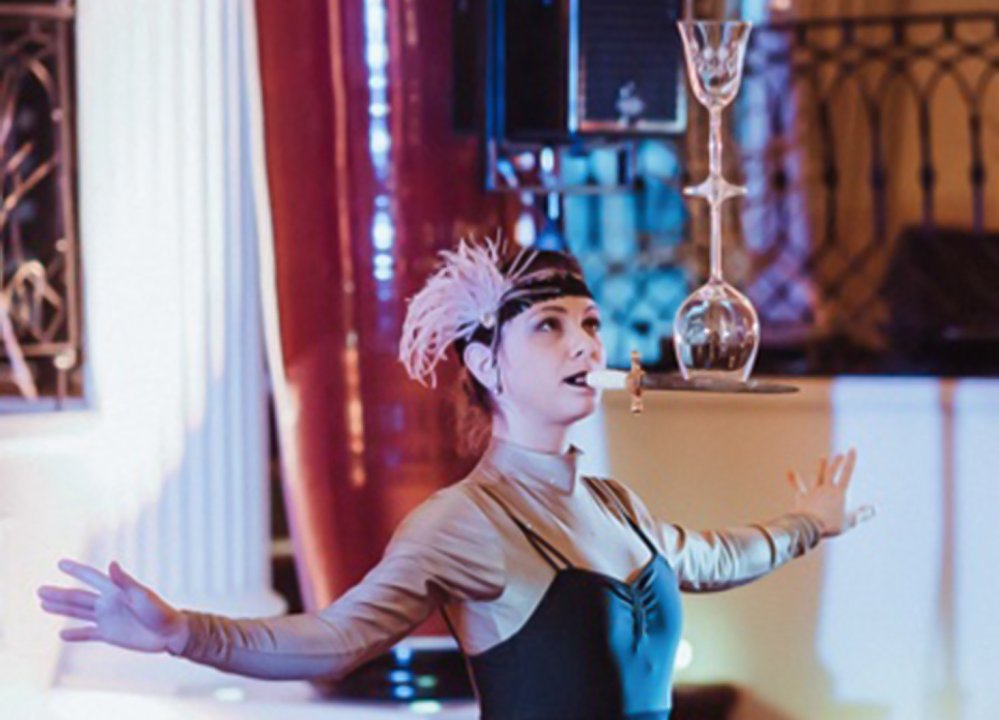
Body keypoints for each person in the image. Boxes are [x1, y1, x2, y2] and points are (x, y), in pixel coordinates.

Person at [38, 239, 875, 719]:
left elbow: (712, 556)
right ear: (484, 362)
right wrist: (184, 632)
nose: (585, 344)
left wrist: (809, 523)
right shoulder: (463, 522)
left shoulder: (615, 504)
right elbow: (335, 638)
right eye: (549, 326)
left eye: (589, 323)